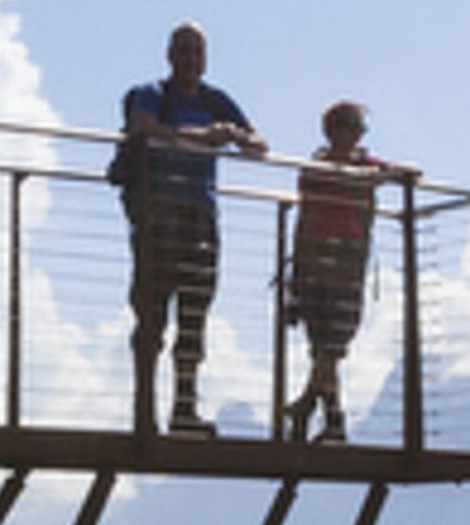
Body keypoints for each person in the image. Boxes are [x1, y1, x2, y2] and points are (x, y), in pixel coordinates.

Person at [119, 23, 262, 436]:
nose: (191, 60)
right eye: (184, 51)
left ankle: (184, 409)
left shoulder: (215, 100)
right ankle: (144, 411)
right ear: (169, 55)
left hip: (201, 216)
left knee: (194, 314)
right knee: (151, 314)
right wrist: (201, 137)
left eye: (198, 52)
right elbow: (142, 127)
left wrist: (235, 134)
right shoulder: (151, 93)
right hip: (157, 215)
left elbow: (259, 144)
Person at [284, 100, 416, 444]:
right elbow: (305, 216)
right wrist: (294, 278)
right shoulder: (314, 169)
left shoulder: (363, 165)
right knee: (323, 346)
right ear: (333, 131)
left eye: (360, 129)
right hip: (317, 260)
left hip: (346, 261)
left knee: (333, 342)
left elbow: (410, 173)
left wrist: (379, 174)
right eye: (353, 127)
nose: (358, 135)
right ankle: (331, 420)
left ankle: (311, 408)